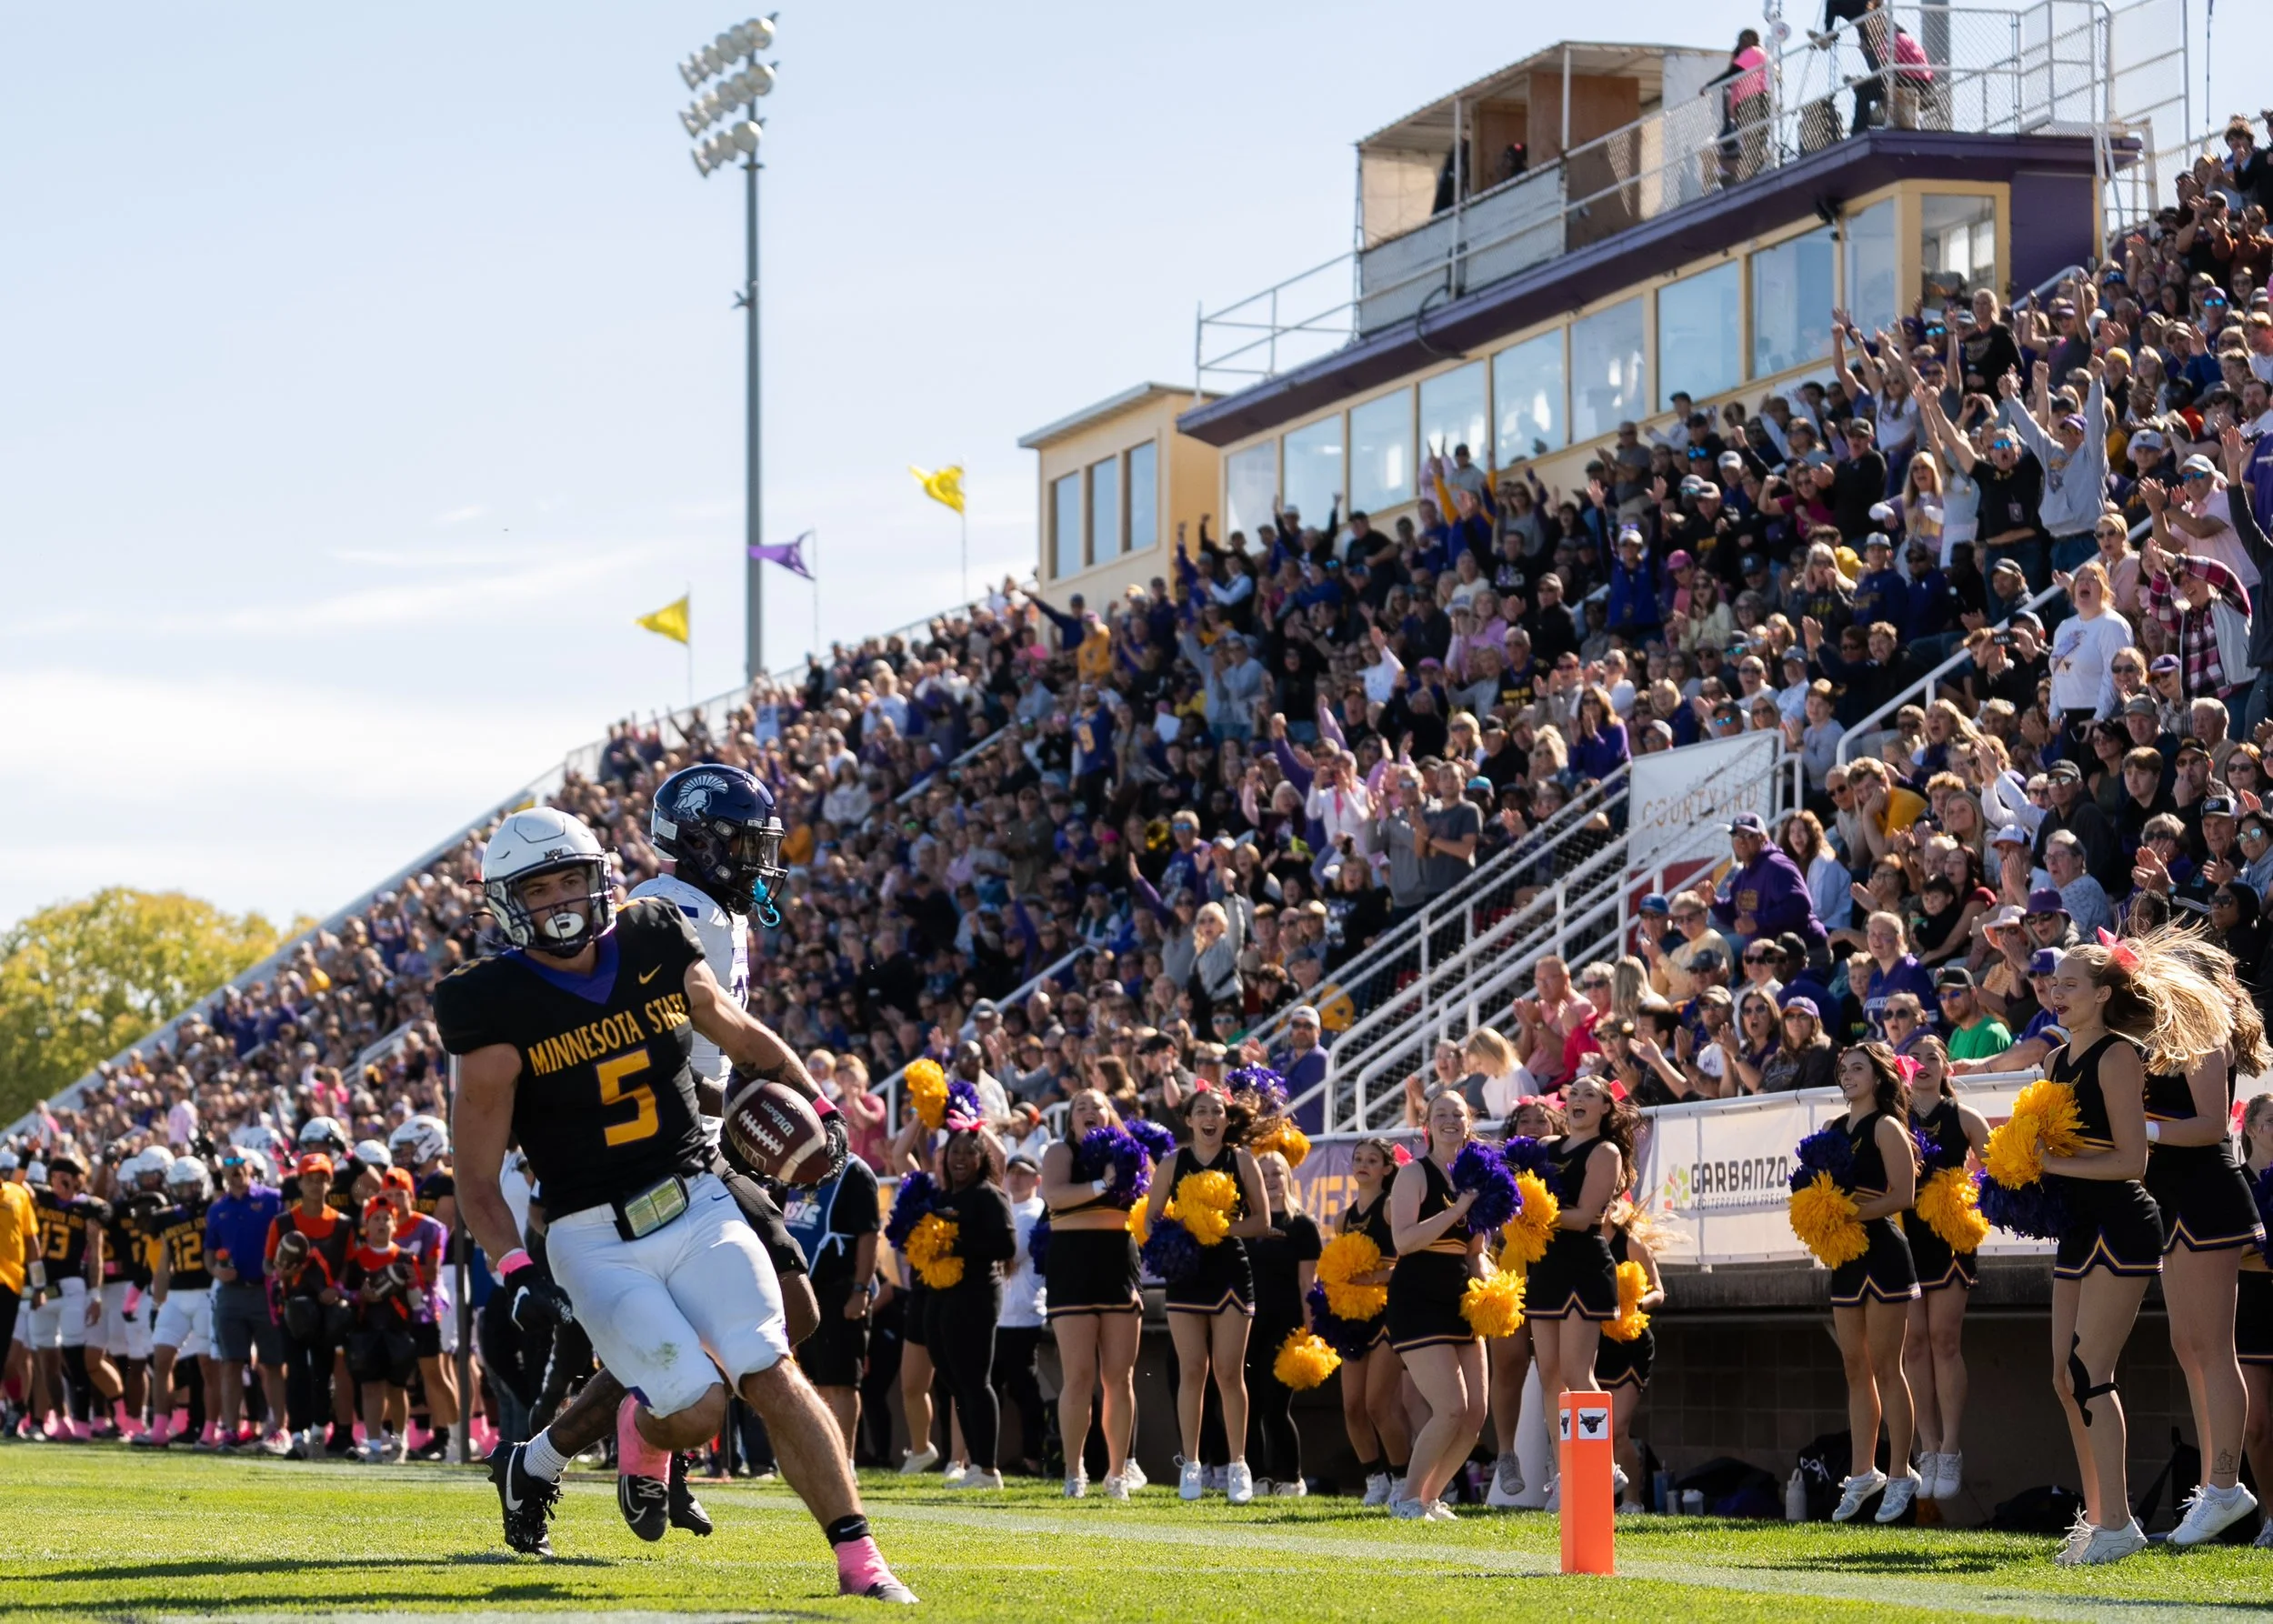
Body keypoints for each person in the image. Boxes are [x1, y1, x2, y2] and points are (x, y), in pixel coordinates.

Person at [438, 808, 912, 1601]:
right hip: (594, 1237)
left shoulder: (655, 937)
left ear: (601, 881)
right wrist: (515, 1267)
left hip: (695, 1196)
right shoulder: (490, 1005)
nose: (558, 899)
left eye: (569, 879)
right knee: (694, 1411)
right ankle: (601, 1442)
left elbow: (740, 1031)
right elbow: (477, 1177)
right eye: (538, 886)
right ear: (506, 903)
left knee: (769, 1363)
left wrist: (817, 1103)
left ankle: (860, 1560)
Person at [492, 767, 826, 1541]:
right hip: (668, 1148)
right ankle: (632, 1448)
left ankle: (555, 1459)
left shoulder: (714, 911)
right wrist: (742, 1106)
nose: (757, 858)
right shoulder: (664, 913)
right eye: (743, 843)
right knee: (776, 1320)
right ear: (702, 842)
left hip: (706, 1142)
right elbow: (643, 1051)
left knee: (754, 1327)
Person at [2034, 931, 2193, 1568]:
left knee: (2087, 1371)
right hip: (2078, 1224)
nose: (2055, 992)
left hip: (2122, 1223)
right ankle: (2098, 1518)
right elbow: (2059, 1156)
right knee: (2062, 1378)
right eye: (2053, 983)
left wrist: (2050, 1161)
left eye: (2070, 983)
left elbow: (2132, 1160)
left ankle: (2121, 1524)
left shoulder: (2118, 1056)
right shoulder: (2052, 1063)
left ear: (2103, 994)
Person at [2138, 938, 2268, 1546]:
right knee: (2187, 1345)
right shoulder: (2170, 1033)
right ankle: (2217, 1487)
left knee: (2213, 1347)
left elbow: (2213, 1124)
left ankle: (2224, 1484)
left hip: (2209, 1196)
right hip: (2174, 1198)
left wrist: (2138, 1125)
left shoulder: (2203, 1028)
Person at [1144, 1084, 1270, 1505]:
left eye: (1217, 1110)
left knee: (1229, 1373)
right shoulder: (1172, 1162)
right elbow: (1150, 1222)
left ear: (1226, 1119)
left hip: (1231, 1272)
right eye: (1202, 1110)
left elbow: (1262, 1222)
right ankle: (1193, 1464)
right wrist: (1181, 1233)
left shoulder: (1242, 1161)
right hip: (1187, 1273)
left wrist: (1219, 1228)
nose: (1210, 1117)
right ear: (1190, 1119)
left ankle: (1238, 1465)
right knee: (1192, 1370)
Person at [1823, 1043, 1923, 1524]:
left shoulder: (1887, 1127)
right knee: (1852, 1365)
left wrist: (1848, 1213)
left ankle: (1901, 1472)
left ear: (1880, 1077)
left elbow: (1902, 1196)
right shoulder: (1829, 1130)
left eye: (1858, 1068)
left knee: (1887, 1365)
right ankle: (1864, 1472)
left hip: (1882, 1252)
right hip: (1846, 1255)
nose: (1848, 1075)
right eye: (1844, 1069)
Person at [1529, 1075, 1634, 1509]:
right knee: (1550, 1375)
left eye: (1590, 1094)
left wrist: (1531, 1213)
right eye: (1573, 1093)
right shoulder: (1546, 1148)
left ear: (1606, 1108)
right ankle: (1565, 1470)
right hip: (1546, 1264)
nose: (1578, 1099)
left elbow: (1586, 1216)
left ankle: (1602, 1466)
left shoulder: (1605, 1151)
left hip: (1582, 1264)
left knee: (1576, 1372)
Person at [1385, 1091, 1488, 1521]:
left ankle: (1429, 1497)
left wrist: (1492, 1288)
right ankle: (1406, 1499)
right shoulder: (1413, 1174)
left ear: (1469, 1122)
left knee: (1475, 1415)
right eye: (1440, 1113)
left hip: (1460, 1296)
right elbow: (1404, 1240)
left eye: (1457, 1114)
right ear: (1427, 1123)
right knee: (1450, 1407)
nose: (1449, 1120)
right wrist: (1459, 1207)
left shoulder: (1477, 1175)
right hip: (1418, 1295)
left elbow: (1475, 1249)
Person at [1039, 1088, 1143, 1499]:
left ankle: (1117, 1473)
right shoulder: (1059, 1153)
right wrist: (1105, 1183)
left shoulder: (1130, 1152)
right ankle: (1073, 1470)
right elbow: (1055, 1195)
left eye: (1095, 1105)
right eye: (1079, 1107)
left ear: (1109, 1114)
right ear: (1071, 1120)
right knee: (1079, 1376)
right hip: (1073, 1267)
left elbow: (1152, 1196)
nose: (1087, 1111)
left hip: (1119, 1262)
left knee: (1120, 1376)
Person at [1901, 1036, 1988, 1506]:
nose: (1923, 1066)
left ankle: (1951, 1446)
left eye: (1932, 1058)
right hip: (1909, 1237)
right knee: (1913, 1343)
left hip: (1950, 1238)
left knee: (1943, 1339)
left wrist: (1972, 1197)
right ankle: (1927, 1447)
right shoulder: (1895, 1121)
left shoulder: (1965, 1118)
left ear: (1946, 1067)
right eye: (1914, 1058)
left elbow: (1999, 1170)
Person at [923, 1118, 1016, 1492]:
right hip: (944, 1295)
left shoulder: (989, 1195)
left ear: (982, 1158)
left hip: (977, 1295)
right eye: (954, 1153)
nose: (960, 1159)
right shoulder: (946, 1198)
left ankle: (987, 1468)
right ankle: (974, 1464)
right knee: (956, 1382)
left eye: (968, 1153)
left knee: (976, 1381)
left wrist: (957, 1245)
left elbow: (1006, 1247)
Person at [780, 1139, 883, 1463]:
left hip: (841, 1291)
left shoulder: (855, 1173)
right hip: (806, 1292)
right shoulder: (795, 1171)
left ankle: (845, 1460)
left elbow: (869, 1236)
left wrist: (861, 1290)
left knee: (841, 1383)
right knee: (814, 1382)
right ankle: (824, 1459)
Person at [1331, 1138, 1410, 1507]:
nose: (1363, 1164)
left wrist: (1373, 1278)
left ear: (1387, 1169)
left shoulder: (1392, 1207)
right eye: (1358, 1158)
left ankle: (1402, 1477)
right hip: (1353, 1318)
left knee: (1379, 1403)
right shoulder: (1342, 1219)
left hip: (1389, 1313)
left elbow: (1411, 1260)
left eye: (1372, 1160)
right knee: (1352, 1406)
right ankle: (1374, 1477)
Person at [1244, 1149, 1322, 1496]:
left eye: (1278, 1173)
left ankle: (1291, 1478)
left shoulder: (1302, 1225)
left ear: (1288, 1178)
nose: (1272, 1179)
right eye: (1265, 1174)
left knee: (1276, 1405)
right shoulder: (1247, 1222)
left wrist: (1311, 1331)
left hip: (1286, 1323)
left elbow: (1308, 1283)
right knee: (1249, 1404)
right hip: (1246, 1322)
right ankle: (1256, 1476)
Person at [203, 1149, 290, 1456]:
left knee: (273, 1363)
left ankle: (278, 1427)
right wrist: (215, 1270)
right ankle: (229, 1429)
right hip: (231, 1292)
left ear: (251, 1166)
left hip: (264, 1289)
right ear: (221, 1172)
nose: (235, 1167)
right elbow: (210, 1252)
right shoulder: (217, 1209)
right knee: (230, 1363)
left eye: (239, 1162)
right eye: (227, 1163)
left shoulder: (271, 1199)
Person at [138, 1156, 221, 1450]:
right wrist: (156, 1302)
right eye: (180, 1187)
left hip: (206, 1293)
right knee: (161, 1360)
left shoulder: (214, 1210)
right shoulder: (166, 1217)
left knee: (209, 1366)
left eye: (191, 1186)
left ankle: (210, 1430)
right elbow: (163, 1265)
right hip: (176, 1295)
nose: (186, 1193)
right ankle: (160, 1428)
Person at [1595, 1196, 1665, 1514]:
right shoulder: (1583, 1245)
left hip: (1632, 1342)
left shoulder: (1631, 1244)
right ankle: (1599, 1497)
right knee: (1599, 1430)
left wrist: (1634, 1304)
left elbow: (1659, 1291)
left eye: (1606, 1204)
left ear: (1614, 1208)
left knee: (1617, 1428)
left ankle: (1633, 1499)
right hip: (1597, 1345)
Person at [995, 1153, 1050, 1479]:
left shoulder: (1036, 1212)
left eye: (1024, 1174)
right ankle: (984, 1459)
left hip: (1024, 1316)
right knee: (992, 1390)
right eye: (1011, 1172)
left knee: (1025, 1391)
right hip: (996, 1317)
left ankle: (1033, 1457)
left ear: (1037, 1180)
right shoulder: (1005, 1209)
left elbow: (1008, 1253)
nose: (1015, 1179)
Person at [2237, 1094, 2273, 1548]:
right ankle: (2270, 1513)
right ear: (2252, 1129)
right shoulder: (2237, 1181)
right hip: (2249, 1304)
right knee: (2257, 1424)